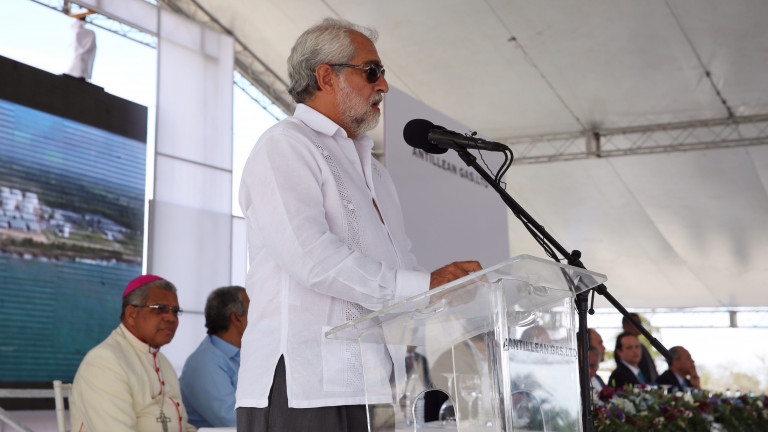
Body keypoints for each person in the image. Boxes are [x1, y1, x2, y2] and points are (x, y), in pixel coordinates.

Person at [236, 17, 481, 432]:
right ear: (325, 76)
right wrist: (424, 284)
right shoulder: (285, 146)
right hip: (305, 386)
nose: (383, 85)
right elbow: (312, 258)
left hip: (378, 388)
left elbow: (400, 268)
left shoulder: (377, 174)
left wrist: (445, 292)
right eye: (371, 71)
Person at [70, 274, 195, 432]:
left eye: (175, 311)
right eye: (160, 309)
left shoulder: (163, 362)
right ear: (131, 314)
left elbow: (182, 425)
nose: (171, 318)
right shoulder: (103, 362)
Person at [180, 285, 250, 428]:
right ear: (236, 318)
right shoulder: (205, 364)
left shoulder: (244, 353)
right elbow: (236, 421)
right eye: (254, 311)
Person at [622, 313, 658, 382]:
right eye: (637, 323)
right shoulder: (621, 347)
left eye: (636, 347)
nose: (640, 326)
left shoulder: (642, 346)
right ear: (626, 325)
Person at [65, 11, 97, 81]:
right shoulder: (86, 32)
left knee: (80, 59)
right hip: (81, 57)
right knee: (79, 59)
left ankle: (78, 74)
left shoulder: (89, 33)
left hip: (83, 56)